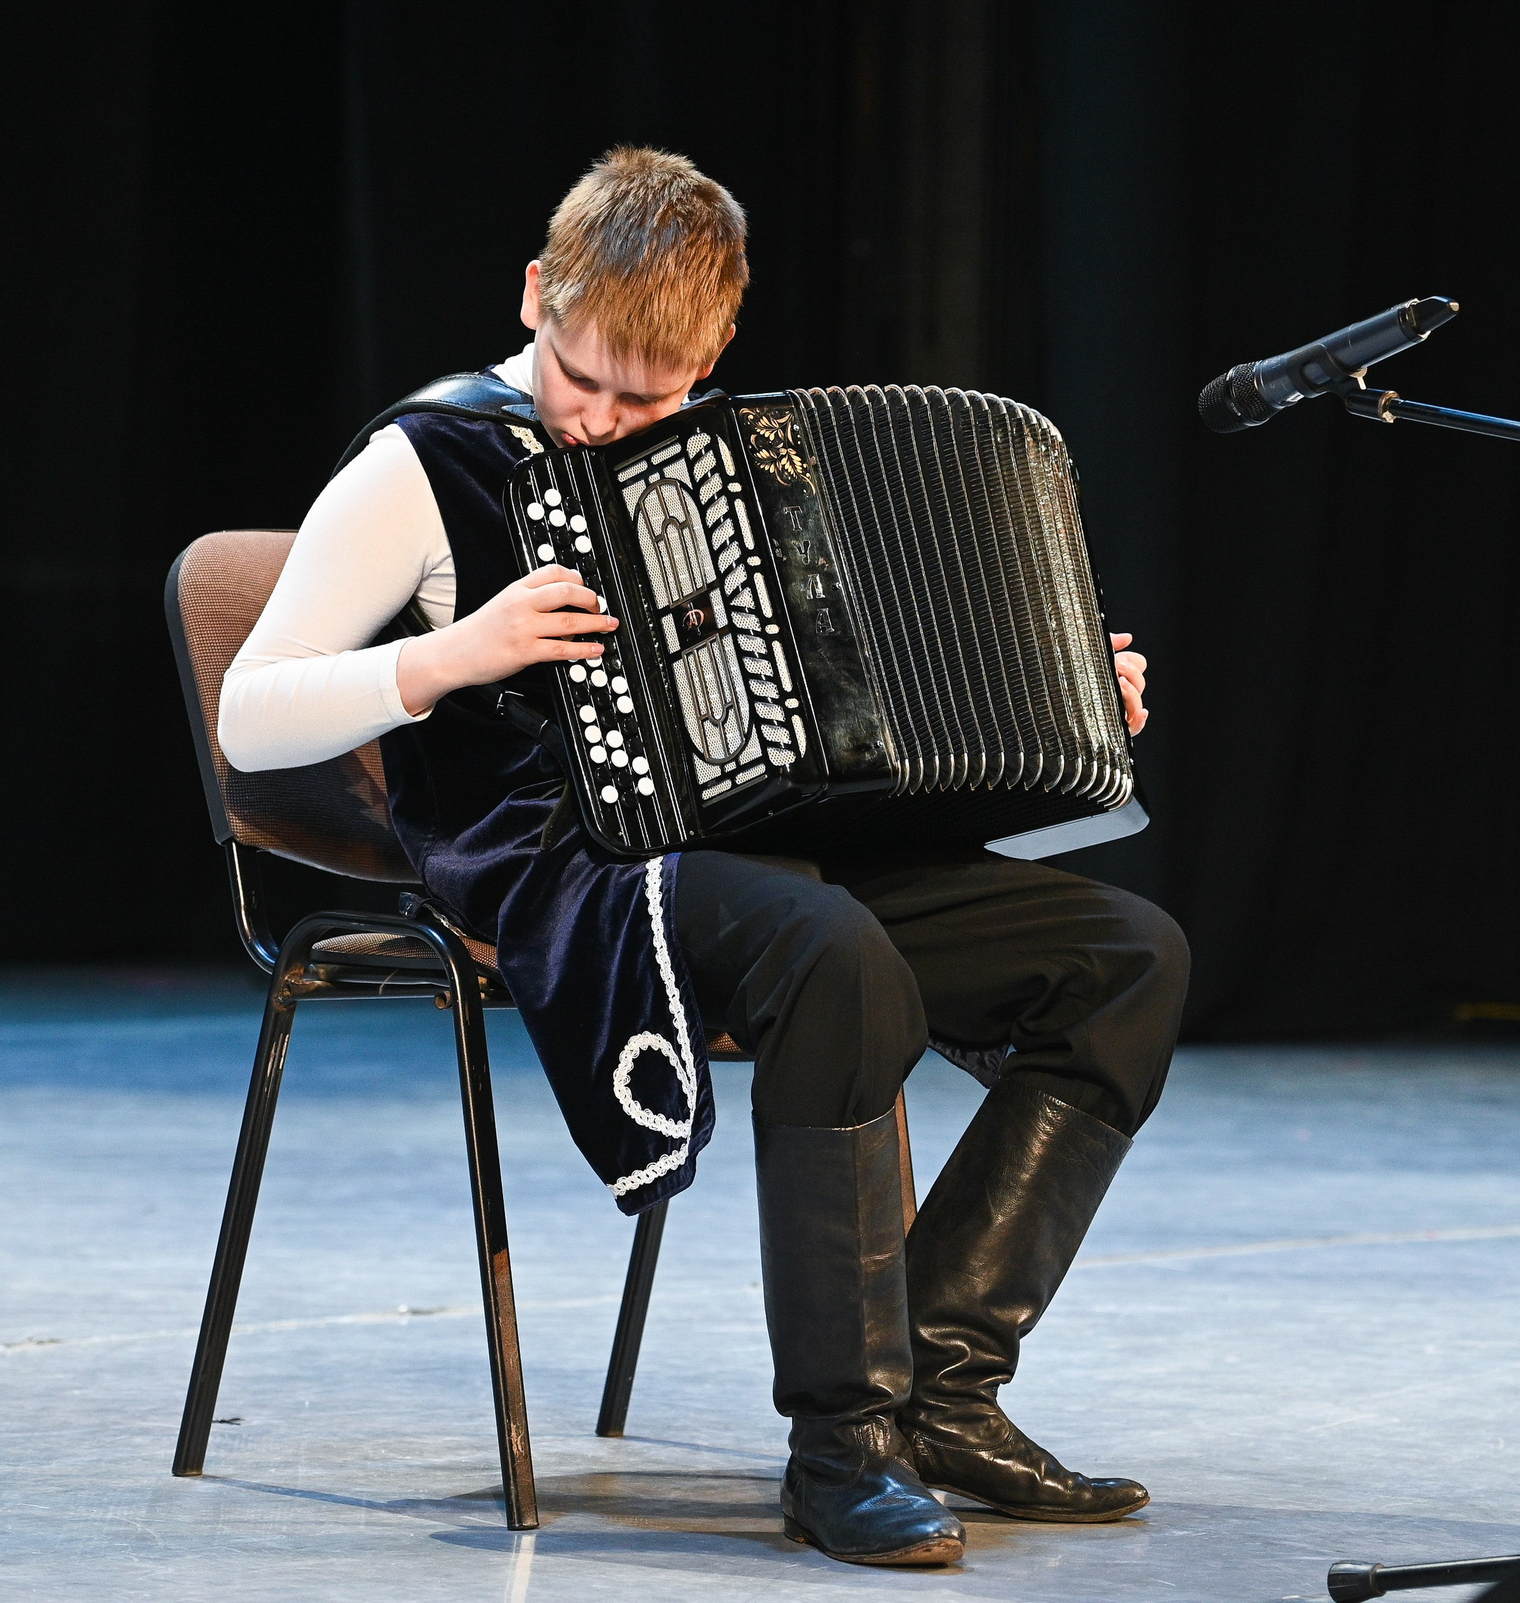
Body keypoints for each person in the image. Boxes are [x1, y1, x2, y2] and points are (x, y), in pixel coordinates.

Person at [218, 146, 1186, 1568]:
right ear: (536, 295)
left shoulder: (753, 462)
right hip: (568, 863)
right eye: (585, 380)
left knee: (1126, 960)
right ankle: (843, 1442)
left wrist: (1065, 687)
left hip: (768, 844)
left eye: (653, 398)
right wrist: (456, 651)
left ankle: (945, 1386)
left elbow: (872, 695)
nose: (608, 423)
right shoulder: (426, 461)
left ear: (715, 354)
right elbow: (250, 715)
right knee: (830, 955)